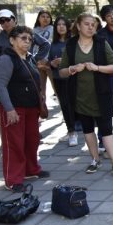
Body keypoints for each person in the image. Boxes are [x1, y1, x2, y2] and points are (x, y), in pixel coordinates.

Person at [58, 13, 113, 178]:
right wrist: (73, 69)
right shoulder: (71, 45)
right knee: (88, 130)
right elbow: (61, 72)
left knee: (107, 130)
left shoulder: (101, 43)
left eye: (93, 25)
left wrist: (97, 68)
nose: (90, 27)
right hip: (80, 95)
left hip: (101, 94)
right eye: (87, 24)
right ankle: (95, 160)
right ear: (78, 26)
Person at [0, 26, 50, 191]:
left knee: (32, 140)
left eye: (29, 39)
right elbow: (1, 85)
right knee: (14, 145)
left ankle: (31, 169)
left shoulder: (29, 58)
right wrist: (9, 109)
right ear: (12, 40)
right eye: (23, 38)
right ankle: (13, 179)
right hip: (14, 108)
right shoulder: (7, 59)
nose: (27, 42)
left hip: (31, 108)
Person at [49, 16, 77, 146]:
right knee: (64, 105)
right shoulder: (52, 44)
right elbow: (48, 62)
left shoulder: (73, 42)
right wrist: (52, 63)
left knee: (72, 104)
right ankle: (71, 131)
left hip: (73, 77)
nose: (61, 27)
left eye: (63, 24)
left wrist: (65, 61)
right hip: (58, 78)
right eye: (58, 25)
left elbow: (79, 58)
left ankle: (76, 129)